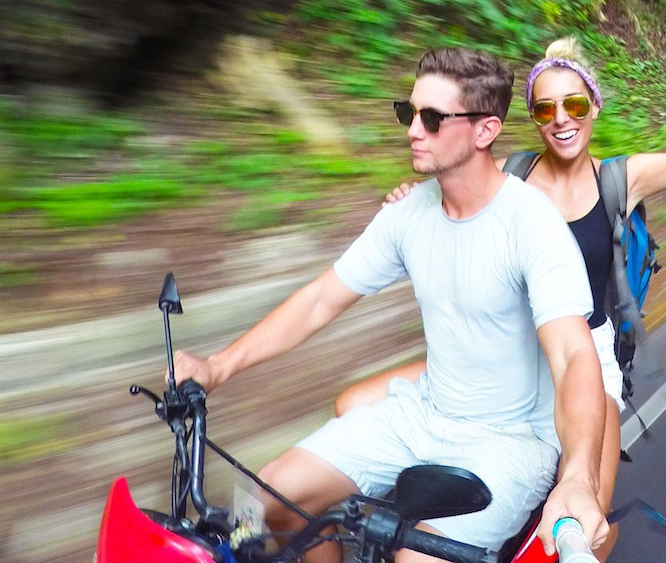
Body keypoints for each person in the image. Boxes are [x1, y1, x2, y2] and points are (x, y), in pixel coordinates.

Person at [336, 32, 666, 560]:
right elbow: (444, 189)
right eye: (545, 110)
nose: (561, 119)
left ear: (593, 104)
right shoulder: (509, 176)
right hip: (503, 349)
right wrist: (410, 198)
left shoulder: (621, 180)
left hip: (586, 353)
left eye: (573, 103)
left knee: (585, 523)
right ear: (533, 119)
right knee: (350, 404)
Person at [172, 47, 608, 562]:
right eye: (409, 112)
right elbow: (319, 300)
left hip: (509, 441)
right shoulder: (410, 214)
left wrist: (578, 475)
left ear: (485, 131)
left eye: (432, 118)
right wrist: (218, 366)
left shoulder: (532, 223)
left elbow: (575, 356)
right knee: (267, 500)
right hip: (422, 412)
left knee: (415, 560)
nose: (412, 131)